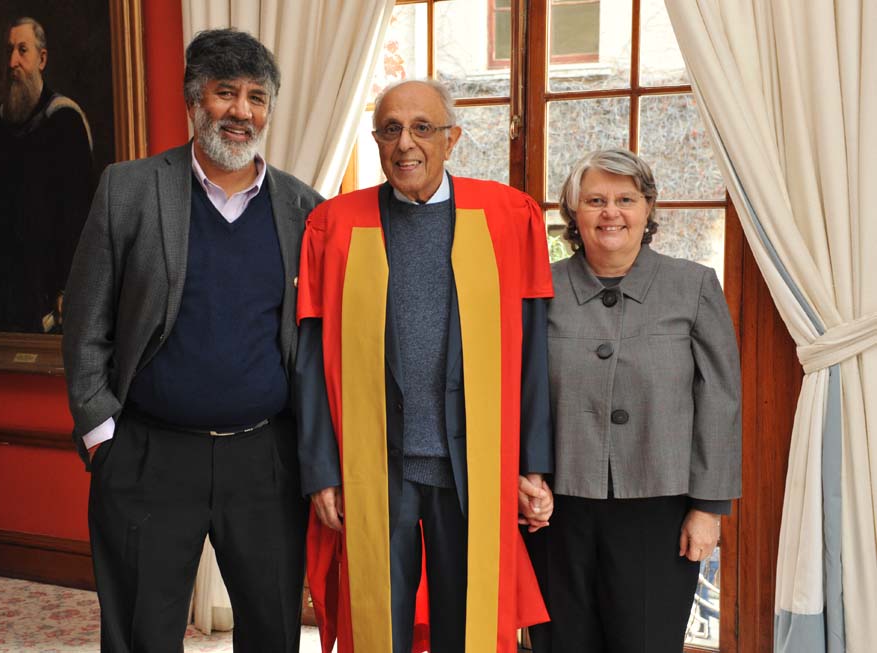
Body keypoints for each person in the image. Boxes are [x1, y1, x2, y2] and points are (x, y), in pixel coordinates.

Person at [62, 29, 323, 653]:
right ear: (192, 100)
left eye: (257, 97)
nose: (241, 112)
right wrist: (103, 436)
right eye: (225, 92)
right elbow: (85, 323)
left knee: (273, 633)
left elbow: (315, 346)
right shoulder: (126, 191)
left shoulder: (306, 210)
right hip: (149, 456)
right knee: (141, 635)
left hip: (265, 460)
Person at [296, 79, 554, 653]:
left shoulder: (508, 217)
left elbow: (534, 350)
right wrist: (320, 469)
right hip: (374, 462)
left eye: (421, 128)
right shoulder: (335, 225)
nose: (405, 143)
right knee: (377, 619)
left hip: (475, 464)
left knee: (469, 623)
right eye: (390, 129)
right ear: (376, 140)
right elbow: (309, 360)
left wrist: (532, 463)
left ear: (451, 138)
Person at [524, 149, 741, 653]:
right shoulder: (538, 291)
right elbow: (516, 390)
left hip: (661, 511)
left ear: (648, 210)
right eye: (595, 200)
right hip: (555, 510)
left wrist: (708, 508)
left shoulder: (694, 287)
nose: (610, 213)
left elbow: (720, 400)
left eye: (626, 199)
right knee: (561, 644)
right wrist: (524, 476)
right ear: (572, 211)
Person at [0, 17, 93, 333]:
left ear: (42, 58)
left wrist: (67, 285)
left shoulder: (64, 120)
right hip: (4, 276)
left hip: (49, 281)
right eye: (9, 51)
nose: (13, 62)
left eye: (23, 51)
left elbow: (79, 212)